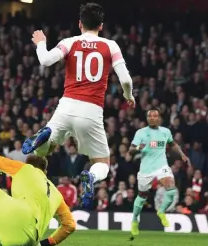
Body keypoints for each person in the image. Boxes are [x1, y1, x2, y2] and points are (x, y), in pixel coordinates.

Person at [22, 2, 135, 208]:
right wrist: (129, 95)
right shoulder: (111, 46)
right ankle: (90, 177)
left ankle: (44, 135)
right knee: (102, 163)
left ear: (79, 23)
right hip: (91, 111)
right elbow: (126, 80)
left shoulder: (70, 42)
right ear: (101, 26)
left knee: (41, 153)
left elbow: (45, 61)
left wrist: (41, 42)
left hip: (66, 106)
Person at [128, 109, 189, 236]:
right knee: (141, 196)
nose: (151, 118)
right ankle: (134, 220)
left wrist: (182, 155)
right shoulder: (141, 133)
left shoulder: (165, 132)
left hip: (161, 166)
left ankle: (161, 211)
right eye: (149, 116)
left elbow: (173, 144)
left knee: (171, 189)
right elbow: (130, 151)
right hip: (146, 169)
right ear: (147, 118)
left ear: (159, 118)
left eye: (154, 116)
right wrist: (139, 147)